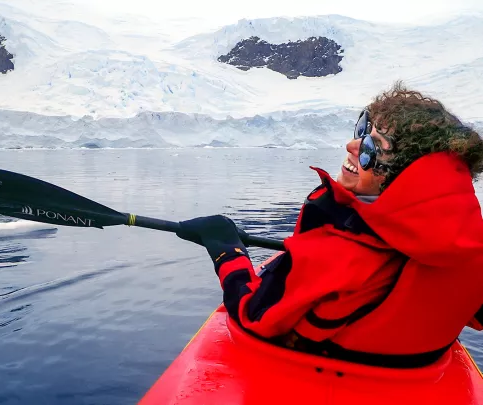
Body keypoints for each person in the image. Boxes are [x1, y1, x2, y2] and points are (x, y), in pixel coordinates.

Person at [177, 82, 483, 368]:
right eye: (363, 128)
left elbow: (253, 316)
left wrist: (225, 249)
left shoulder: (340, 255)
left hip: (334, 372)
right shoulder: (471, 249)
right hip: (419, 372)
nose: (352, 145)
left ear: (405, 175)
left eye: (372, 148)